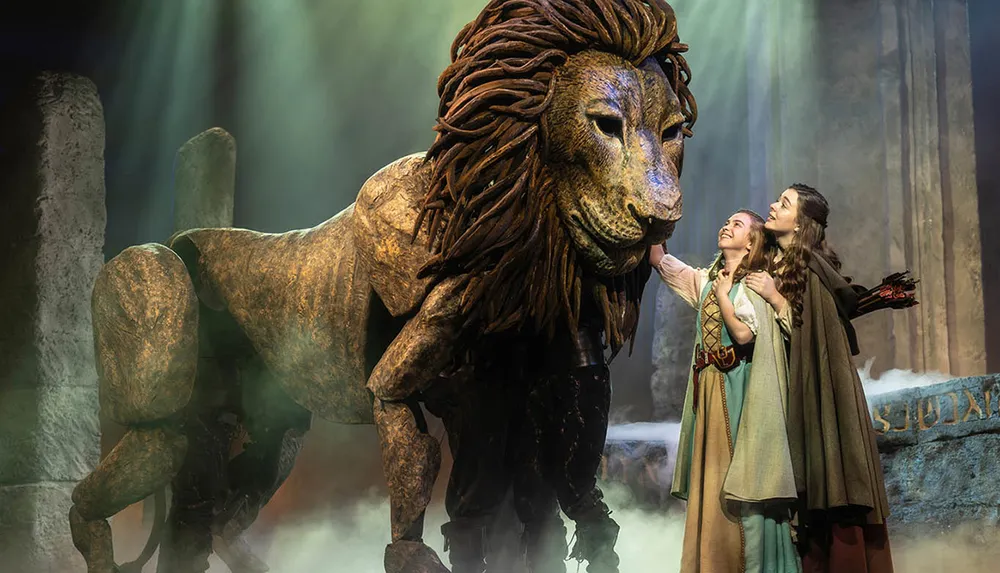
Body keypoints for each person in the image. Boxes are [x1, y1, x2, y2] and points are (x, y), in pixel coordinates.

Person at [745, 183, 894, 573]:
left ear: (802, 222)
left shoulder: (811, 268)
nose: (773, 206)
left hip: (821, 399)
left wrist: (776, 299)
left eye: (784, 203)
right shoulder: (777, 264)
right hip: (789, 393)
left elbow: (818, 338)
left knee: (831, 489)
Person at [650, 210, 801, 573]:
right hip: (709, 390)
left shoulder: (754, 283)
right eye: (727, 221)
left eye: (737, 224)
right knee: (712, 478)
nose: (726, 226)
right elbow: (661, 261)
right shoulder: (707, 281)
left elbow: (746, 335)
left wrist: (724, 296)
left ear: (751, 241)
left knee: (739, 475)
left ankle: (745, 562)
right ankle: (713, 561)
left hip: (738, 389)